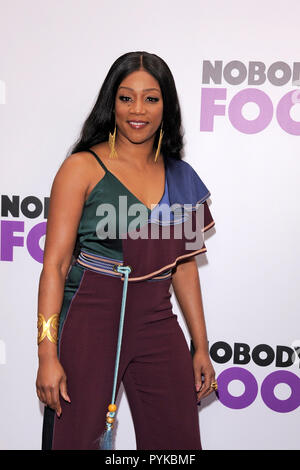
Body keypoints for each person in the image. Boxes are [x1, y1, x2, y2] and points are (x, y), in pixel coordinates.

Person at [36, 51, 217, 451]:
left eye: (151, 98)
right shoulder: (81, 168)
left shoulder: (181, 177)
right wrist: (47, 354)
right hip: (90, 316)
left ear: (165, 105)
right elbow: (56, 266)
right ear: (111, 103)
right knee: (77, 441)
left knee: (178, 443)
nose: (138, 110)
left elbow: (184, 267)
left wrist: (200, 345)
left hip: (156, 316)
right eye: (126, 97)